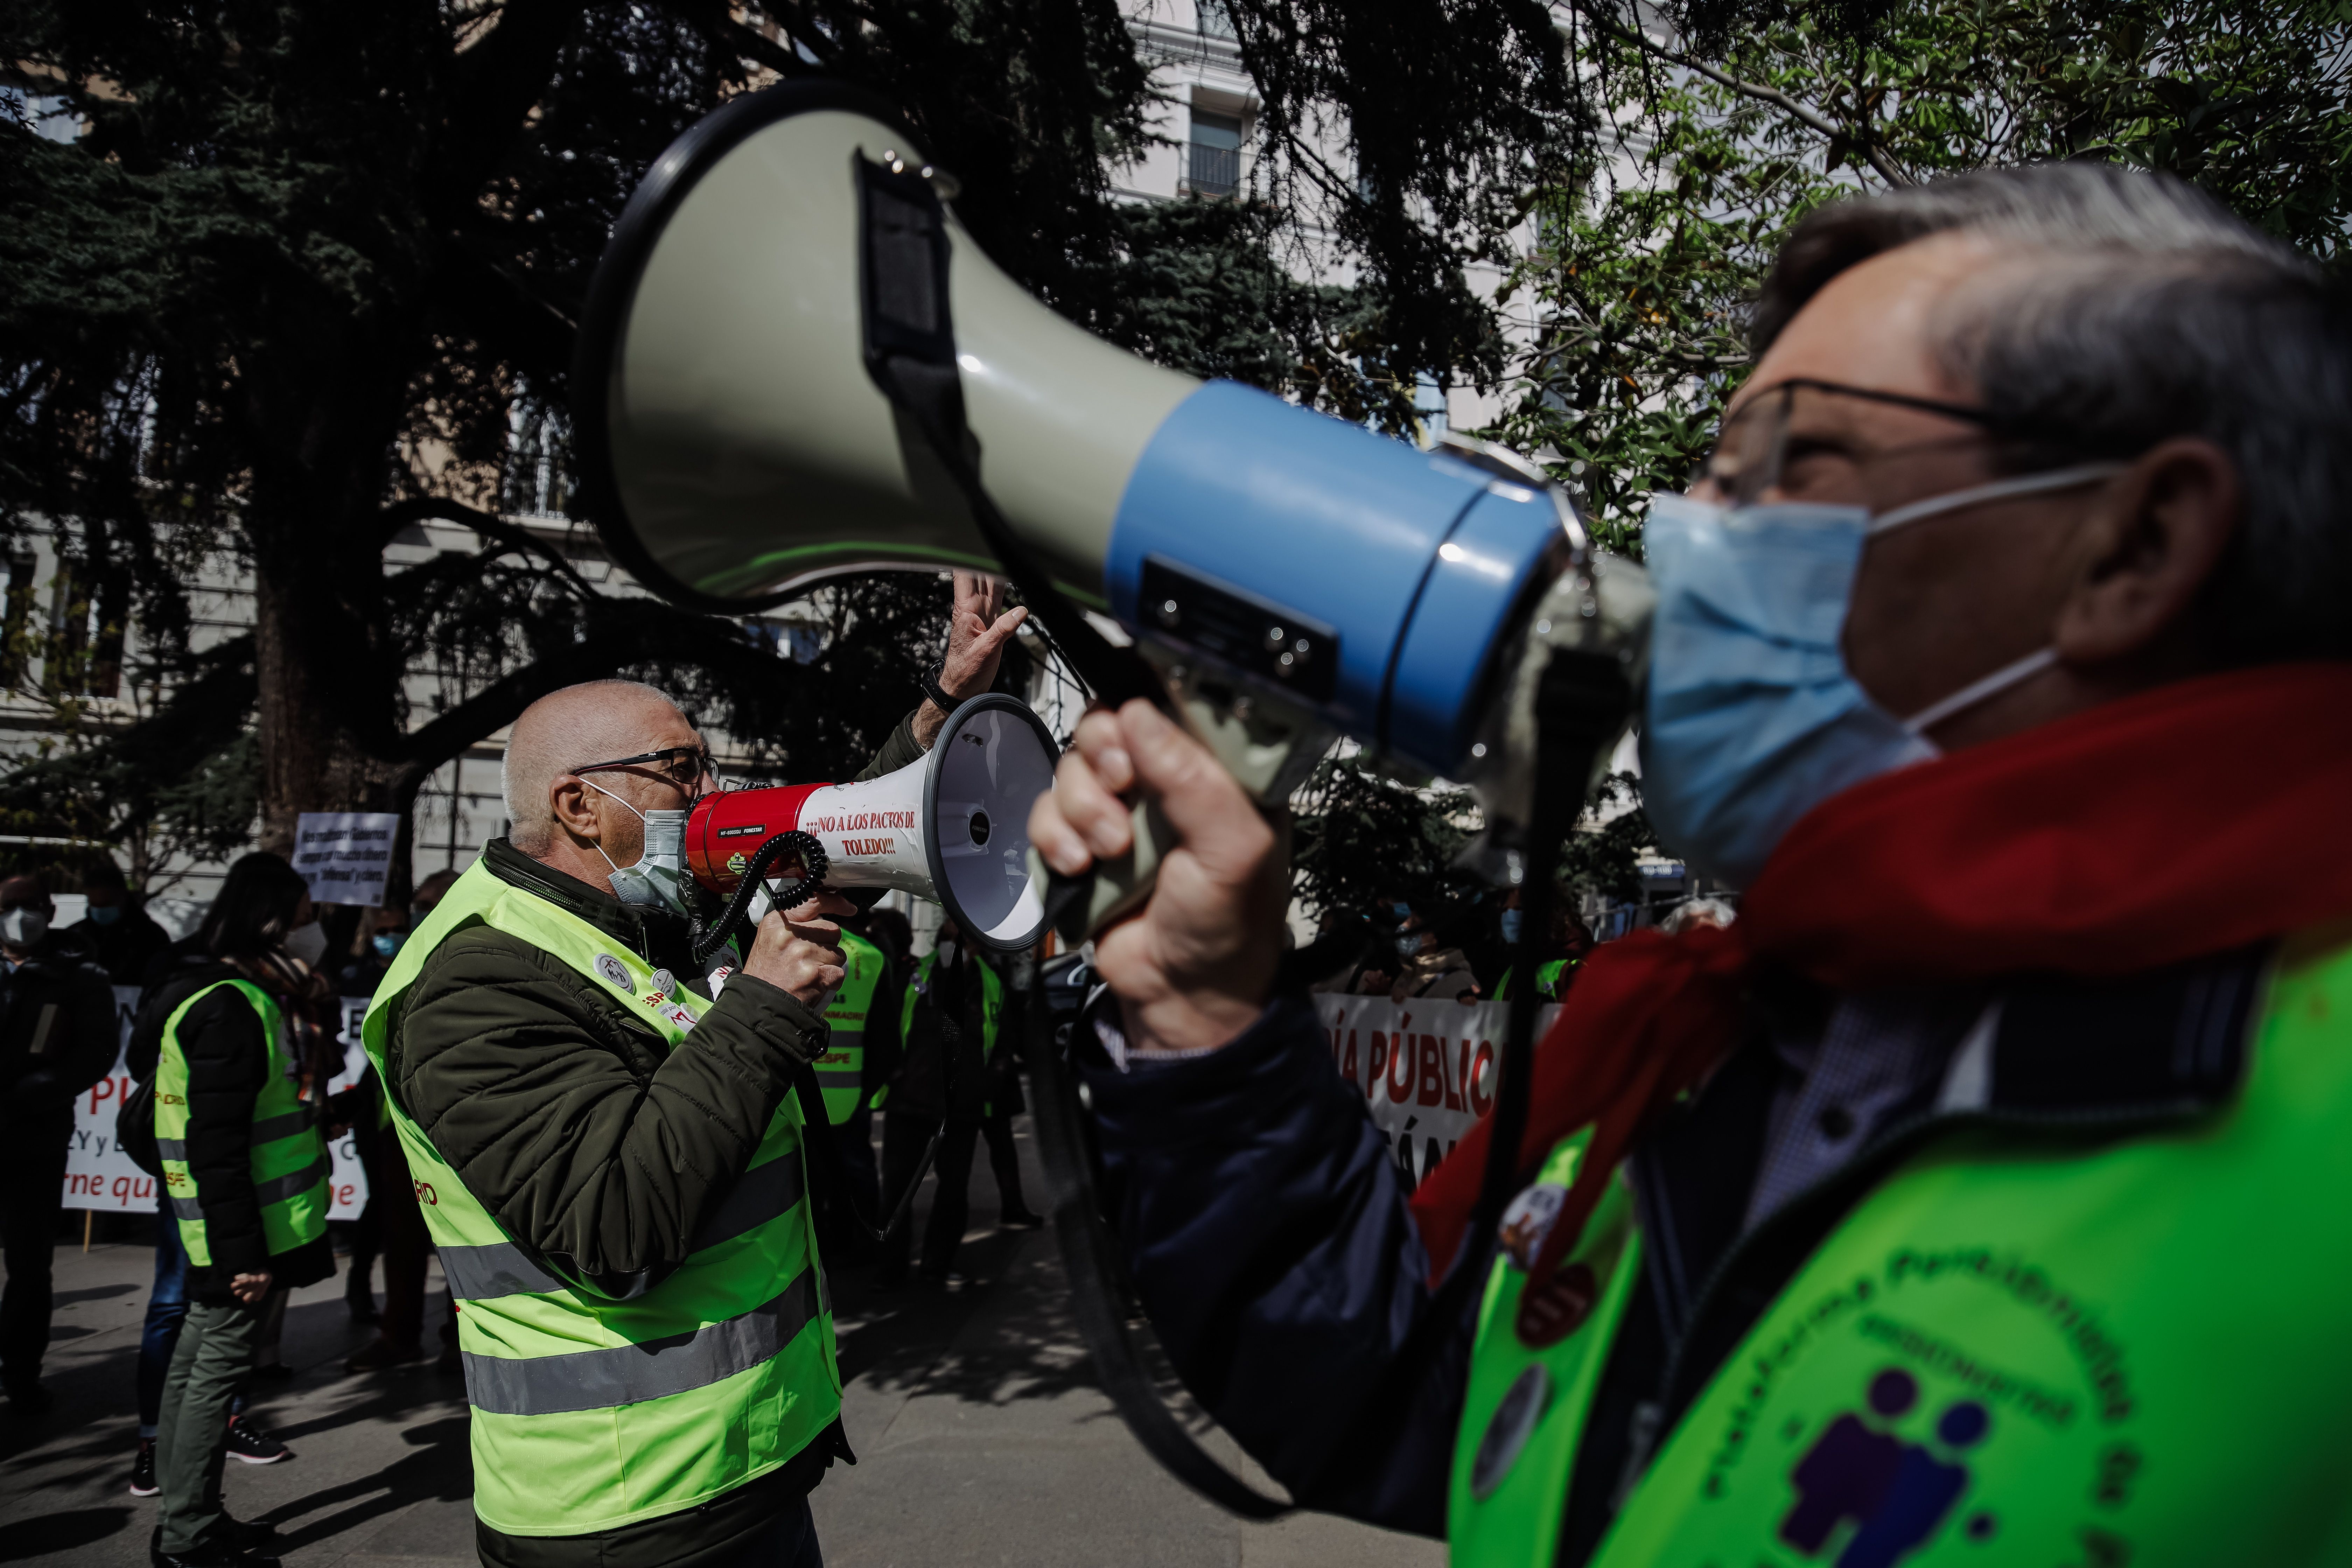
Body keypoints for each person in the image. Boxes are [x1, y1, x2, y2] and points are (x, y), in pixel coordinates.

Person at [1029, 164, 2352, 1564]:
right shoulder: (1729, 1043)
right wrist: (1207, 1008)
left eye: (1785, 457)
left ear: (2133, 546)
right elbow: (1416, 1411)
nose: (1691, 533)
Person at [362, 573, 1026, 1568]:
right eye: (680, 770)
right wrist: (759, 1009)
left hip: (734, 1471)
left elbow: (823, 840)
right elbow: (615, 1225)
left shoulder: (631, 923)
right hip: (625, 1505)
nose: (707, 797)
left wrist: (940, 709)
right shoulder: (475, 981)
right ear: (579, 804)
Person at [145, 853, 335, 1567]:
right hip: (237, 1234)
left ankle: (189, 1517)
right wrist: (243, 1255)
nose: (313, 929)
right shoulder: (234, 1004)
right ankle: (188, 1532)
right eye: (305, 914)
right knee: (210, 1382)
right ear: (272, 919)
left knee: (193, 1373)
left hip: (225, 1229)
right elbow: (217, 1143)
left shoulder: (219, 992)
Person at [0, 873, 120, 1412]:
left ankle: (21, 1374)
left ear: (50, 912)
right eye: (10, 906)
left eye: (30, 906)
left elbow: (94, 1054)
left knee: (29, 1264)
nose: (20, 915)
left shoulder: (81, 977)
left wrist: (28, 1095)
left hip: (35, 1138)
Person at [343, 867, 460, 1363]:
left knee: (462, 1249)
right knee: (401, 1239)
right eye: (418, 906)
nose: (418, 916)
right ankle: (400, 1333)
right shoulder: (407, 961)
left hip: (447, 1131)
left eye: (429, 905)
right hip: (393, 1128)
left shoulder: (468, 958)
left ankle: (461, 1342)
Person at [875, 916, 1005, 1286]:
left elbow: (1002, 1043)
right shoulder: (918, 975)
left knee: (953, 1189)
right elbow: (888, 1028)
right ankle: (890, 1268)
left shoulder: (990, 983)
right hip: (910, 1102)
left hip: (961, 1107)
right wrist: (895, 1076)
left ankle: (937, 1263)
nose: (959, 933)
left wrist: (984, 1086)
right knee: (897, 1190)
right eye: (952, 925)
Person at [67, 858, 173, 986]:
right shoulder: (77, 936)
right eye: (94, 905)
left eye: (106, 904)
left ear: (123, 896)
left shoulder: (151, 937)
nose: (100, 911)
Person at [1489, 883, 1593, 1003]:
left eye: (1519, 908)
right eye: (1505, 910)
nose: (1510, 916)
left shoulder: (1571, 968)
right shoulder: (1512, 970)